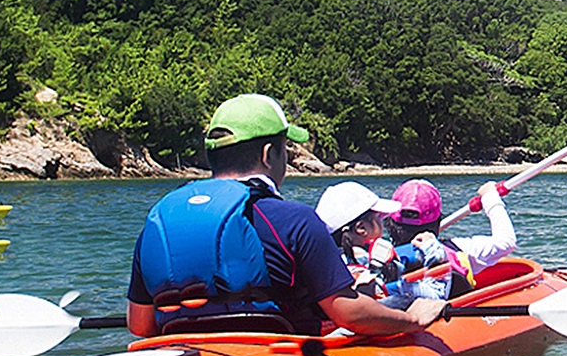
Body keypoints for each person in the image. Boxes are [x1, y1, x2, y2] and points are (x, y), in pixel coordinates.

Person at [126, 94, 446, 338]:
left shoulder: (160, 219)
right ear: (269, 155)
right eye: (285, 151)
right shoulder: (295, 220)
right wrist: (413, 318)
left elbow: (139, 325)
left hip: (184, 355)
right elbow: (351, 314)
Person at [372, 179, 520, 304]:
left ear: (389, 222)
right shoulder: (458, 249)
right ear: (438, 220)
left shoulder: (375, 258)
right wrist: (490, 196)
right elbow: (506, 242)